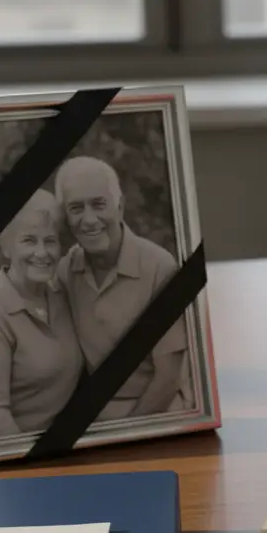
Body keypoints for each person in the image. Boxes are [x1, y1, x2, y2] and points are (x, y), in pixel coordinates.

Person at [54, 155, 190, 421]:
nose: (89, 219)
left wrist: (128, 432)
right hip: (96, 413)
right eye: (76, 208)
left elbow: (168, 378)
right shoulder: (66, 271)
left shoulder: (158, 267)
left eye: (98, 204)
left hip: (158, 412)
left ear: (120, 207)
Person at [0, 189, 83, 439]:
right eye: (29, 241)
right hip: (24, 459)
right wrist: (35, 468)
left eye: (50, 240)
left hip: (68, 446)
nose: (42, 253)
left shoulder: (61, 295)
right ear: (6, 248)